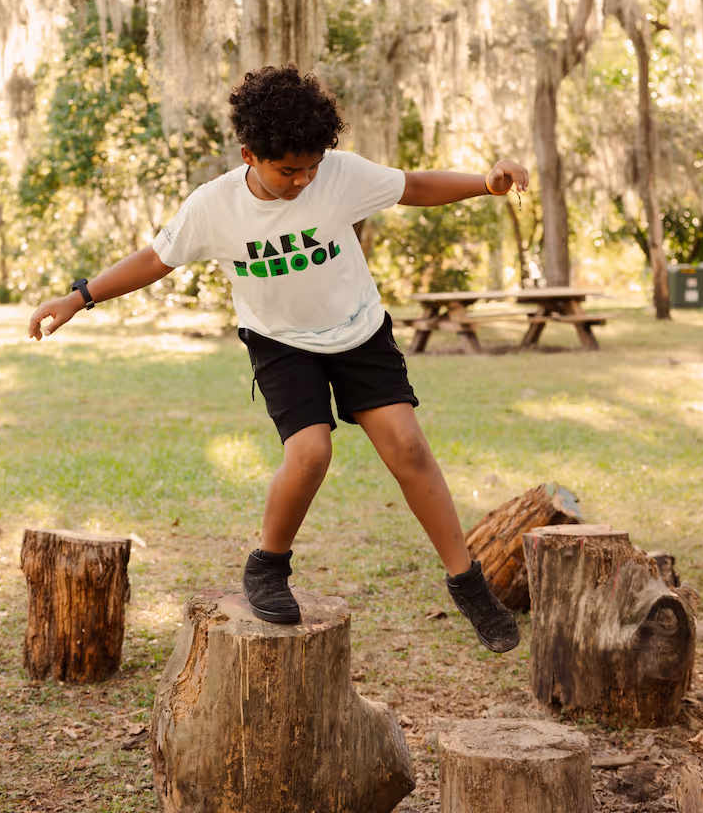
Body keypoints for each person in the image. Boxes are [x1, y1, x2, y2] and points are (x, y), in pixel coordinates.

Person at [28, 65, 529, 653]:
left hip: (358, 330)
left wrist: (485, 183)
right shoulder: (214, 206)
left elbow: (413, 186)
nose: (302, 180)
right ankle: (267, 565)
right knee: (311, 449)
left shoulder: (337, 176)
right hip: (280, 341)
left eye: (311, 167)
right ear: (249, 154)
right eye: (289, 170)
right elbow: (154, 260)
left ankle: (467, 583)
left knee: (409, 448)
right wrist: (77, 298)